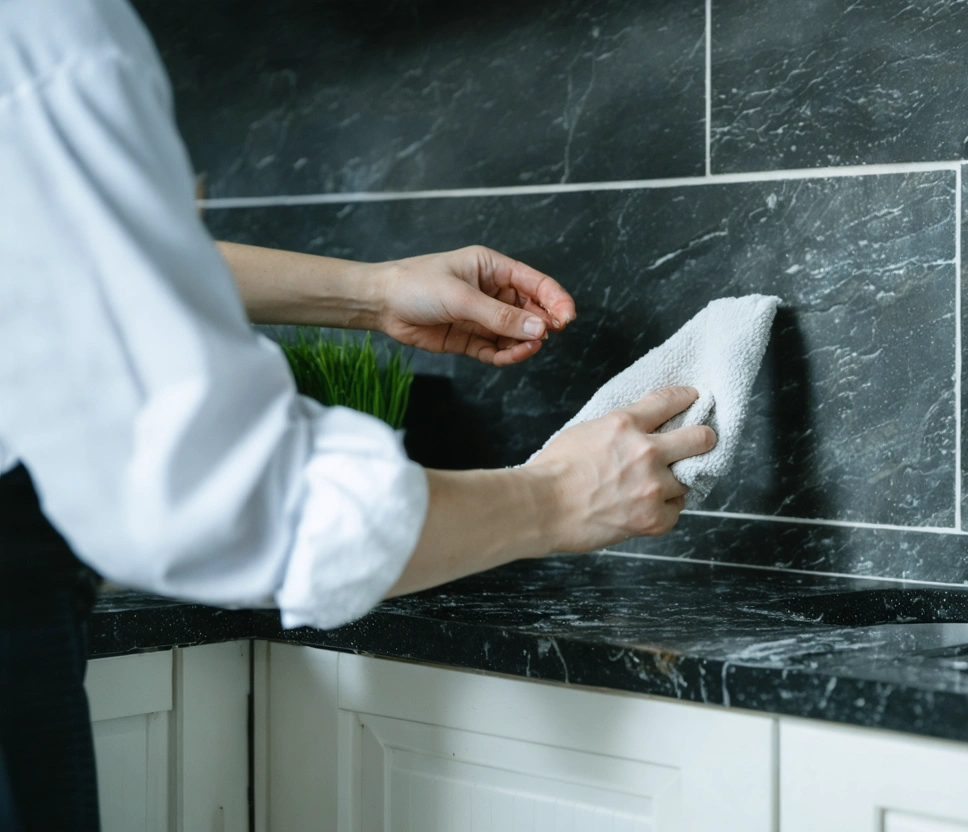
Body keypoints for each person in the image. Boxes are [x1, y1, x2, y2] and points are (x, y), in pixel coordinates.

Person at [0, 0, 716, 828]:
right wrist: (555, 497)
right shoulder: (47, 30)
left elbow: (59, 258)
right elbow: (241, 505)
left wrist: (368, 293)